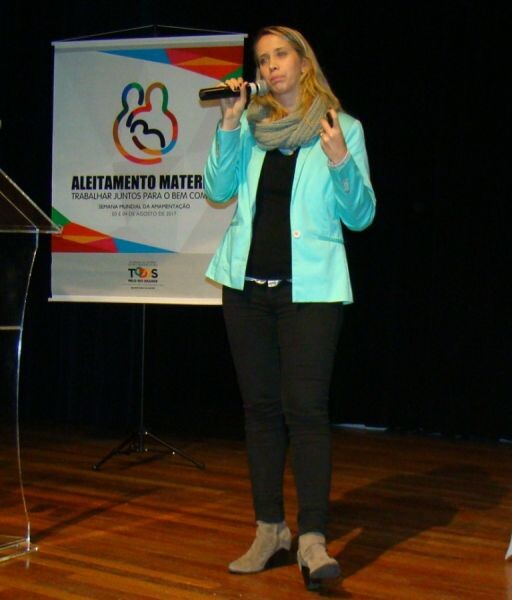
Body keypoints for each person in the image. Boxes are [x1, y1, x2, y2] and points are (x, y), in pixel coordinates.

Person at [203, 25, 376, 590]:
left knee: (305, 411)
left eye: (281, 55)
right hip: (246, 289)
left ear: (304, 63)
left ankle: (312, 539)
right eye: (262, 59)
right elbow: (217, 190)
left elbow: (361, 216)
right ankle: (270, 530)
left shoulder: (341, 127)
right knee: (260, 410)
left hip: (311, 292)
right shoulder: (251, 127)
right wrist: (229, 123)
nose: (271, 66)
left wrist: (340, 160)